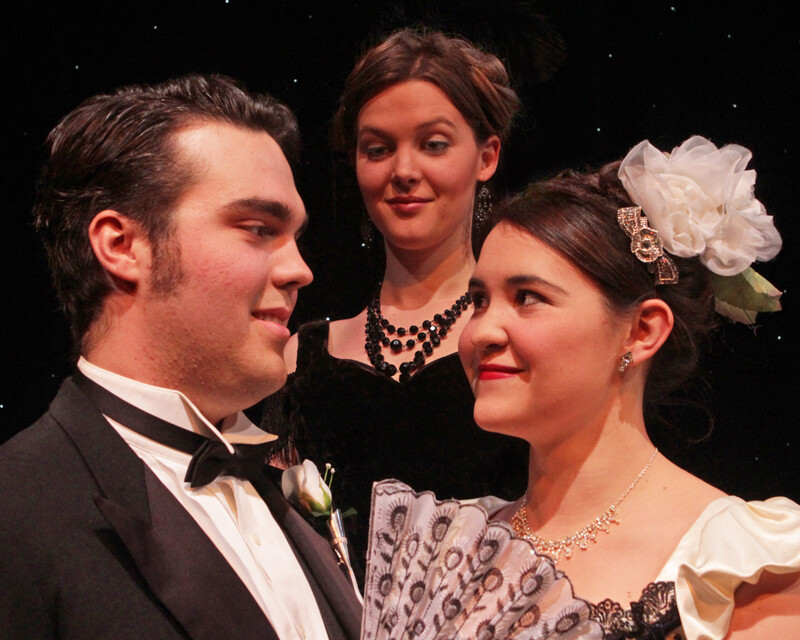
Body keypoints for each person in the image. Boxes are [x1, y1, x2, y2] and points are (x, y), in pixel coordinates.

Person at [0, 74, 361, 640]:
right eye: (258, 229)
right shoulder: (16, 510)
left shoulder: (286, 499)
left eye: (294, 236)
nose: (300, 271)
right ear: (123, 246)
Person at [456, 136, 799, 638]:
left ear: (642, 331)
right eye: (479, 301)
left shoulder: (740, 563)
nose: (480, 332)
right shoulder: (457, 543)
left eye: (527, 297)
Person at [263, 28, 529, 565]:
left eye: (433, 144)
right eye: (378, 149)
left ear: (486, 156)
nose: (404, 172)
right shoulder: (301, 360)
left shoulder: (525, 344)